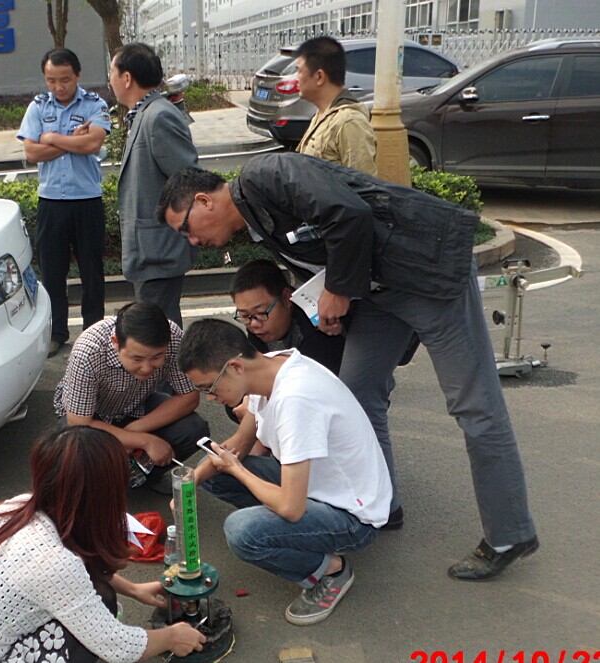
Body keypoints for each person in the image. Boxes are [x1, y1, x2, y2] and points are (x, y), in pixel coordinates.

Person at [157, 153, 539, 581]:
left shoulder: (265, 175)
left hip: (428, 274)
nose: (191, 241)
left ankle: (509, 534)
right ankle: (381, 505)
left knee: (475, 406)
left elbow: (349, 213)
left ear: (204, 201)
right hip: (379, 293)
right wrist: (335, 301)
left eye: (185, 228)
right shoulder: (256, 219)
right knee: (357, 392)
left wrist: (338, 289)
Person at [0, 427, 206, 663]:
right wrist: (171, 637)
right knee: (94, 619)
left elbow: (74, 565)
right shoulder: (51, 562)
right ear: (105, 492)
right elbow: (116, 646)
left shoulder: (18, 507)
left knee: (100, 593)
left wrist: (134, 589)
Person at [177, 318, 392, 625]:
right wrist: (190, 483)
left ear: (235, 367)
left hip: (353, 516)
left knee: (242, 532)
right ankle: (284, 532)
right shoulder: (270, 368)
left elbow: (291, 507)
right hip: (314, 486)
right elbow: (238, 445)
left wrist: (239, 471)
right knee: (211, 470)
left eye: (208, 388)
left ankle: (331, 571)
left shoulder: (295, 399)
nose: (211, 398)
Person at [18, 48, 110, 358]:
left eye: (65, 80)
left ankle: (93, 332)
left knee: (92, 272)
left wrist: (51, 138)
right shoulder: (37, 106)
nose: (58, 87)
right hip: (51, 202)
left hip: (87, 200)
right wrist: (72, 139)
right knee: (52, 273)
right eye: (51, 80)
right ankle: (57, 332)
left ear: (78, 75)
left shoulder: (94, 104)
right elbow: (32, 152)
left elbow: (93, 143)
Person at [53, 301, 209, 484]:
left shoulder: (173, 336)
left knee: (194, 429)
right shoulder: (88, 351)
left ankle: (142, 479)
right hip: (91, 414)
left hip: (137, 404)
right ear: (116, 343)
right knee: (79, 446)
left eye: (157, 357)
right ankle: (103, 484)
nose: (146, 368)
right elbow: (79, 422)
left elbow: (189, 396)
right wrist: (144, 441)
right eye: (137, 359)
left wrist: (132, 432)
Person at [110, 43, 199, 327]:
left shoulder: (158, 116)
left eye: (112, 73)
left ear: (126, 78)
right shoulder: (145, 114)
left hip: (159, 251)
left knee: (159, 334)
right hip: (151, 251)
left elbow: (188, 179)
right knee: (158, 331)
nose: (110, 80)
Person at [231, 259, 344, 375]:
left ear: (286, 298)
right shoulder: (256, 330)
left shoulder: (316, 330)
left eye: (260, 312)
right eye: (244, 315)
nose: (254, 324)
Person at [294, 36, 377, 175]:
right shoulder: (323, 114)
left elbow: (363, 183)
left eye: (299, 71)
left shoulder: (350, 122)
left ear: (319, 77)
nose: (296, 78)